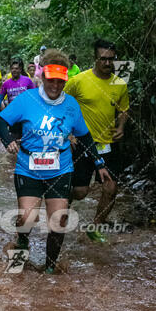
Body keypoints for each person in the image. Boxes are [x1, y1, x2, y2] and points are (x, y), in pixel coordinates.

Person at [0, 49, 111, 273]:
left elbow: (85, 136)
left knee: (58, 221)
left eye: (60, 82)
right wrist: (8, 140)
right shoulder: (26, 100)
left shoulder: (70, 105)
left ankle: (49, 271)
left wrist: (98, 163)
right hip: (28, 168)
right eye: (51, 80)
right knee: (27, 218)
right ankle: (21, 247)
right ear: (42, 77)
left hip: (61, 168)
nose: (55, 86)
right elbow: (0, 121)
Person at [64, 39, 129, 242]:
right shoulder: (79, 81)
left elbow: (124, 109)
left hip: (108, 145)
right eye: (103, 59)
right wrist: (68, 134)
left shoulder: (119, 84)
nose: (107, 63)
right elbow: (60, 104)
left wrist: (120, 127)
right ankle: (61, 206)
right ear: (95, 58)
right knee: (80, 191)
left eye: (111, 59)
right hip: (82, 144)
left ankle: (96, 227)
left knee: (111, 188)